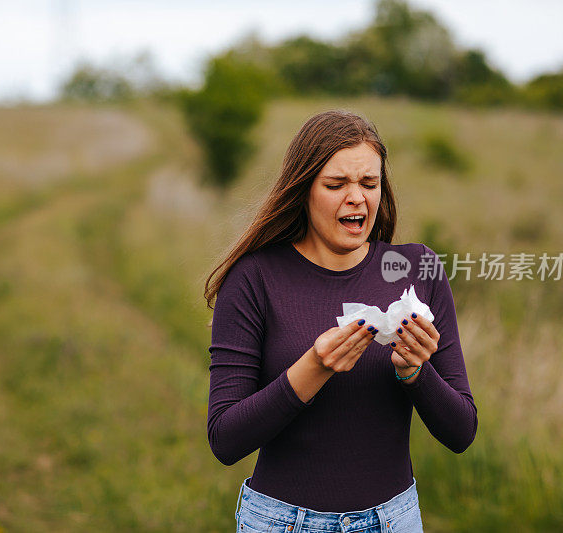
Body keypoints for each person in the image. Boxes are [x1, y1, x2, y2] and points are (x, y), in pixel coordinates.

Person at [204, 110, 478, 533]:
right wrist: (314, 368)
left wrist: (414, 372)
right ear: (303, 190)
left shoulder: (416, 267)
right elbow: (225, 440)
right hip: (282, 523)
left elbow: (461, 432)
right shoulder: (255, 277)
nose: (357, 197)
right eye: (336, 185)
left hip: (393, 521)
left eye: (370, 183)